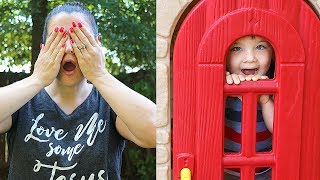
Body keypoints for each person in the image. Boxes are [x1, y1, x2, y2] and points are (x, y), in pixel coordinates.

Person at [0, 1, 155, 179]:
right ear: (43, 49)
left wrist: (99, 74)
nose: (68, 48)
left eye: (79, 39)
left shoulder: (112, 103)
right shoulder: (21, 101)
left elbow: (156, 132)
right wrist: (38, 79)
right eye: (58, 40)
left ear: (97, 46)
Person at [224, 35, 274, 180]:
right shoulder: (222, 82)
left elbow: (283, 132)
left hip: (266, 172)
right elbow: (207, 130)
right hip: (225, 172)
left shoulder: (276, 82)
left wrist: (265, 100)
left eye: (260, 47)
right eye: (237, 48)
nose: (250, 58)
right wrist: (224, 93)